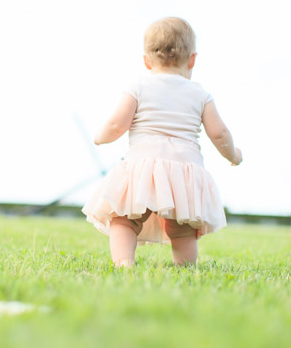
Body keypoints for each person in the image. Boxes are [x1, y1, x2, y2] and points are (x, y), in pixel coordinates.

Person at [81, 17, 242, 268]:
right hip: (184, 171)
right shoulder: (201, 94)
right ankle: (185, 268)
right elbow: (219, 133)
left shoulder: (138, 86)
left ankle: (124, 263)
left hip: (142, 166)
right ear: (192, 60)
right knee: (183, 228)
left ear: (146, 61)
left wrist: (100, 137)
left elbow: (116, 124)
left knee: (124, 219)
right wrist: (234, 155)